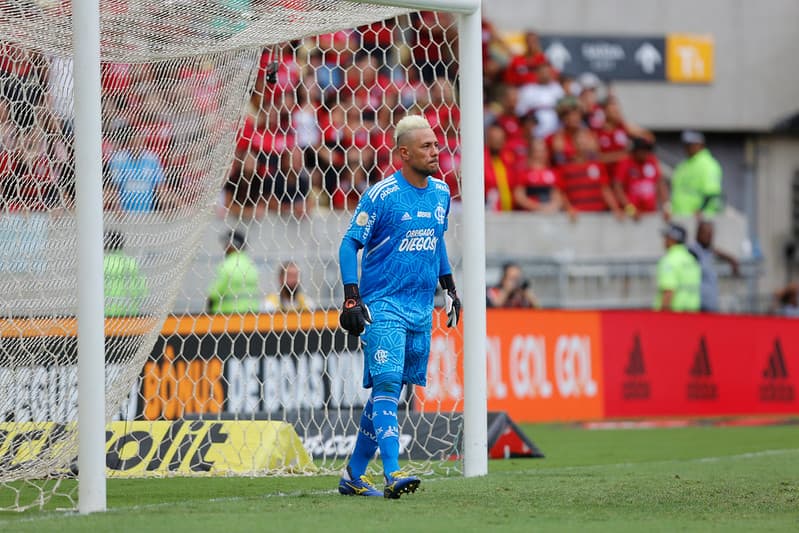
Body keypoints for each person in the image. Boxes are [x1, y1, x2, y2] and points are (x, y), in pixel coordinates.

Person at [336, 114, 461, 499]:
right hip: (383, 304)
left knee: (388, 393)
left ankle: (354, 476)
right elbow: (349, 244)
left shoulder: (441, 193)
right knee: (389, 383)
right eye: (426, 146)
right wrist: (352, 296)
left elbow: (437, 240)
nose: (435, 150)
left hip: (420, 307)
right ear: (404, 153)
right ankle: (392, 472)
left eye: (436, 144)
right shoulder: (381, 195)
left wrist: (450, 287)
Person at [687, 219, 740, 312]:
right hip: (698, 305)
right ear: (698, 233)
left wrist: (731, 259)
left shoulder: (708, 251)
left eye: (711, 234)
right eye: (706, 234)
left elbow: (715, 251)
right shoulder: (692, 251)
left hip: (711, 304)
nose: (709, 237)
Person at [669, 130, 723, 218]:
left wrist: (701, 210)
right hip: (680, 217)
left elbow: (712, 193)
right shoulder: (683, 165)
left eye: (691, 144)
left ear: (700, 144)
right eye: (686, 144)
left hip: (699, 220)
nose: (687, 148)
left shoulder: (708, 164)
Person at [613, 136, 669, 220]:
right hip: (631, 216)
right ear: (635, 151)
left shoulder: (652, 161)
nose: (646, 152)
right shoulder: (625, 163)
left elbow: (661, 184)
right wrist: (630, 209)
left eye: (647, 150)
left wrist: (666, 207)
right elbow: (617, 188)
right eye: (642, 150)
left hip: (650, 213)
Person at [206, 230, 260, 314]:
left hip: (227, 316)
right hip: (252, 314)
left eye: (226, 244)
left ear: (232, 245)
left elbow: (214, 293)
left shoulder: (227, 265)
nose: (224, 247)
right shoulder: (252, 266)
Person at [654, 223, 701, 312]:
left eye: (666, 237)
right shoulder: (691, 259)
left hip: (674, 315)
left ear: (673, 239)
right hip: (693, 314)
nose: (664, 240)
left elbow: (668, 291)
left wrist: (661, 318)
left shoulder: (670, 260)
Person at [103, 231, 147, 317]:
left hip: (105, 313)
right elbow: (142, 289)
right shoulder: (130, 263)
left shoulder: (101, 264)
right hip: (129, 313)